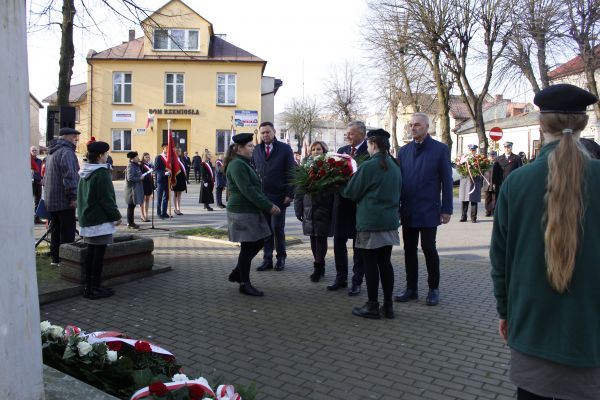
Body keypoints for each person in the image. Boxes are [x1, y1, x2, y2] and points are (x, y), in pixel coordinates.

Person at [490, 83, 600, 400]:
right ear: (583, 124)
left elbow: (500, 261)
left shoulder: (517, 182)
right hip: (589, 333)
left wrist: (505, 312)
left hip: (530, 325)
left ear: (541, 124)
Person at [341, 129, 402, 319]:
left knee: (370, 265)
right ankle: (388, 306)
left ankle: (372, 305)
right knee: (385, 263)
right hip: (389, 222)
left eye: (368, 144)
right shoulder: (394, 165)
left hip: (370, 222)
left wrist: (339, 184)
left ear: (373, 144)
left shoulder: (369, 166)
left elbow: (351, 192)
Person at [395, 113, 453, 306]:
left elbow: (446, 181)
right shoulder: (403, 151)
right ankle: (411, 288)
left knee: (429, 249)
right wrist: (396, 207)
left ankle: (433, 288)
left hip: (429, 209)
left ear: (427, 127)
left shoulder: (440, 150)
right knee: (409, 250)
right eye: (411, 125)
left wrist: (447, 209)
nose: (413, 128)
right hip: (409, 209)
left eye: (417, 125)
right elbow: (398, 182)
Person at [224, 133, 281, 296]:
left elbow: (254, 188)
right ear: (239, 148)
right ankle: (244, 283)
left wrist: (266, 205)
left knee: (259, 241)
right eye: (249, 146)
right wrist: (268, 206)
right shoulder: (237, 165)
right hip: (242, 211)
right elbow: (247, 190)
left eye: (252, 145)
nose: (253, 148)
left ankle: (237, 272)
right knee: (248, 246)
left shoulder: (244, 163)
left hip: (250, 210)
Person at [328, 120, 368, 296]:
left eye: (351, 133)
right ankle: (340, 277)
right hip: (341, 205)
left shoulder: (369, 151)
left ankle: (357, 280)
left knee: (358, 245)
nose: (348, 136)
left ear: (362, 134)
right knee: (338, 242)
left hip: (358, 206)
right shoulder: (342, 152)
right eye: (347, 133)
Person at [77, 140, 122, 299]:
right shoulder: (101, 173)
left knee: (91, 253)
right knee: (97, 255)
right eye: (106, 153)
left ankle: (91, 287)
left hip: (87, 217)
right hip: (99, 219)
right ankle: (93, 288)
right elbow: (106, 198)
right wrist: (116, 216)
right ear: (101, 155)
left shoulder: (85, 171)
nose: (107, 156)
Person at [252, 121, 296, 272]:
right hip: (262, 197)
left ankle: (281, 258)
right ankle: (267, 259)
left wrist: (290, 194)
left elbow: (292, 171)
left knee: (277, 228)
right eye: (262, 133)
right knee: (266, 230)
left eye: (267, 132)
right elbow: (253, 171)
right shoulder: (256, 149)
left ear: (274, 132)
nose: (265, 135)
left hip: (279, 196)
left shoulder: (284, 148)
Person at [294, 141, 335, 282]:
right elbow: (299, 189)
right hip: (308, 207)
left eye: (319, 149)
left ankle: (318, 267)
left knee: (321, 238)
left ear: (324, 151)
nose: (316, 151)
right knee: (312, 237)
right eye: (313, 149)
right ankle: (319, 265)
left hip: (323, 207)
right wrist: (297, 208)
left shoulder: (330, 166)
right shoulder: (304, 166)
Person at [44, 127, 81, 266]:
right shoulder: (67, 152)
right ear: (65, 137)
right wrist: (73, 197)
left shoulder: (51, 152)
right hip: (64, 199)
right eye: (73, 137)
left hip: (51, 199)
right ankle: (67, 261)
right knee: (67, 231)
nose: (76, 140)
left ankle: (56, 259)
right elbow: (69, 176)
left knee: (55, 230)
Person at [458, 144, 483, 223]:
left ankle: (473, 217)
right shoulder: (463, 158)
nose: (472, 151)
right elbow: (459, 167)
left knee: (474, 199)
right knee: (464, 199)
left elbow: (482, 169)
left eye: (474, 150)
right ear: (468, 150)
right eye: (471, 150)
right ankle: (463, 216)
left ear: (476, 150)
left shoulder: (479, 159)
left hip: (474, 181)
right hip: (465, 181)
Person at [124, 151, 145, 229]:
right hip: (131, 191)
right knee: (131, 206)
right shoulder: (130, 166)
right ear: (132, 158)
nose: (138, 158)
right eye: (136, 157)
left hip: (135, 189)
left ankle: (131, 222)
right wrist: (139, 178)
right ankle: (130, 223)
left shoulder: (135, 165)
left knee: (132, 206)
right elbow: (130, 178)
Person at [154, 143, 171, 219]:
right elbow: (156, 169)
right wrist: (164, 173)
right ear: (163, 148)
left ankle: (164, 212)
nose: (168, 149)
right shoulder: (159, 157)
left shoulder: (169, 158)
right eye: (166, 148)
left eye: (168, 148)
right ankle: (158, 213)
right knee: (159, 197)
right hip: (160, 180)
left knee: (166, 197)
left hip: (168, 180)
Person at [31, 146, 43, 224]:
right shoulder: (28, 160)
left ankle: (36, 218)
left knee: (37, 201)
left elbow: (42, 171)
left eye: (35, 150)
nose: (34, 151)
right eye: (33, 150)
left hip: (38, 183)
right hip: (31, 183)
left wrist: (42, 179)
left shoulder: (39, 161)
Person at [172, 149, 187, 215]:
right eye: (179, 151)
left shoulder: (180, 159)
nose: (180, 152)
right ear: (176, 152)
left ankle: (179, 208)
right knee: (176, 194)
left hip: (181, 178)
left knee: (179, 194)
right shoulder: (173, 160)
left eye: (180, 151)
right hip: (176, 179)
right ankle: (176, 209)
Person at [140, 152, 154, 222]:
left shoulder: (150, 165)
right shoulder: (141, 165)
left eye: (148, 157)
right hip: (143, 184)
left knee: (147, 199)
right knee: (143, 200)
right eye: (146, 157)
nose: (148, 158)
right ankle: (142, 215)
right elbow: (141, 175)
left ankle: (146, 214)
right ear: (143, 157)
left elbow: (152, 175)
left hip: (149, 184)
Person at [483, 151, 497, 217]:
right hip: (487, 183)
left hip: (495, 183)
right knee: (487, 198)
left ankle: (494, 211)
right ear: (488, 156)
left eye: (493, 156)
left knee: (494, 198)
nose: (492, 157)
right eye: (491, 156)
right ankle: (488, 211)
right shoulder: (485, 163)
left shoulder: (497, 163)